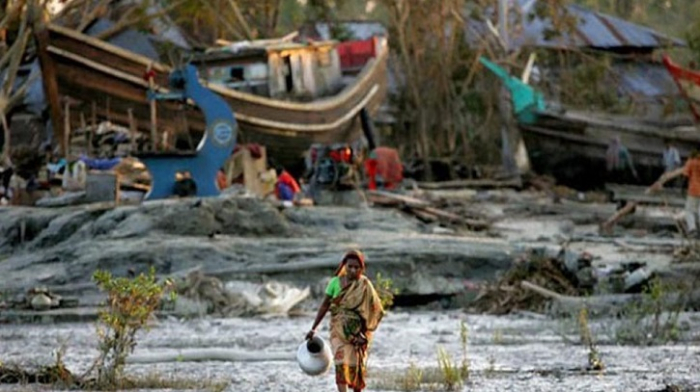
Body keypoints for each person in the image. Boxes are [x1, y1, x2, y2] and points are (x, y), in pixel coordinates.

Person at [305, 250, 385, 392]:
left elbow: (375, 308)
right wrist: (313, 328)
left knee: (357, 366)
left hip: (357, 333)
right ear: (344, 266)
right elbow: (325, 305)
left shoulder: (364, 285)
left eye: (357, 267)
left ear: (362, 269)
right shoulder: (335, 282)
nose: (353, 270)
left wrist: (363, 332)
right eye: (350, 266)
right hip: (338, 331)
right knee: (340, 363)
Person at [652, 150, 700, 235]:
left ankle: (692, 229)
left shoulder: (691, 161)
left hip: (693, 189)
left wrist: (681, 188)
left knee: (689, 210)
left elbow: (685, 176)